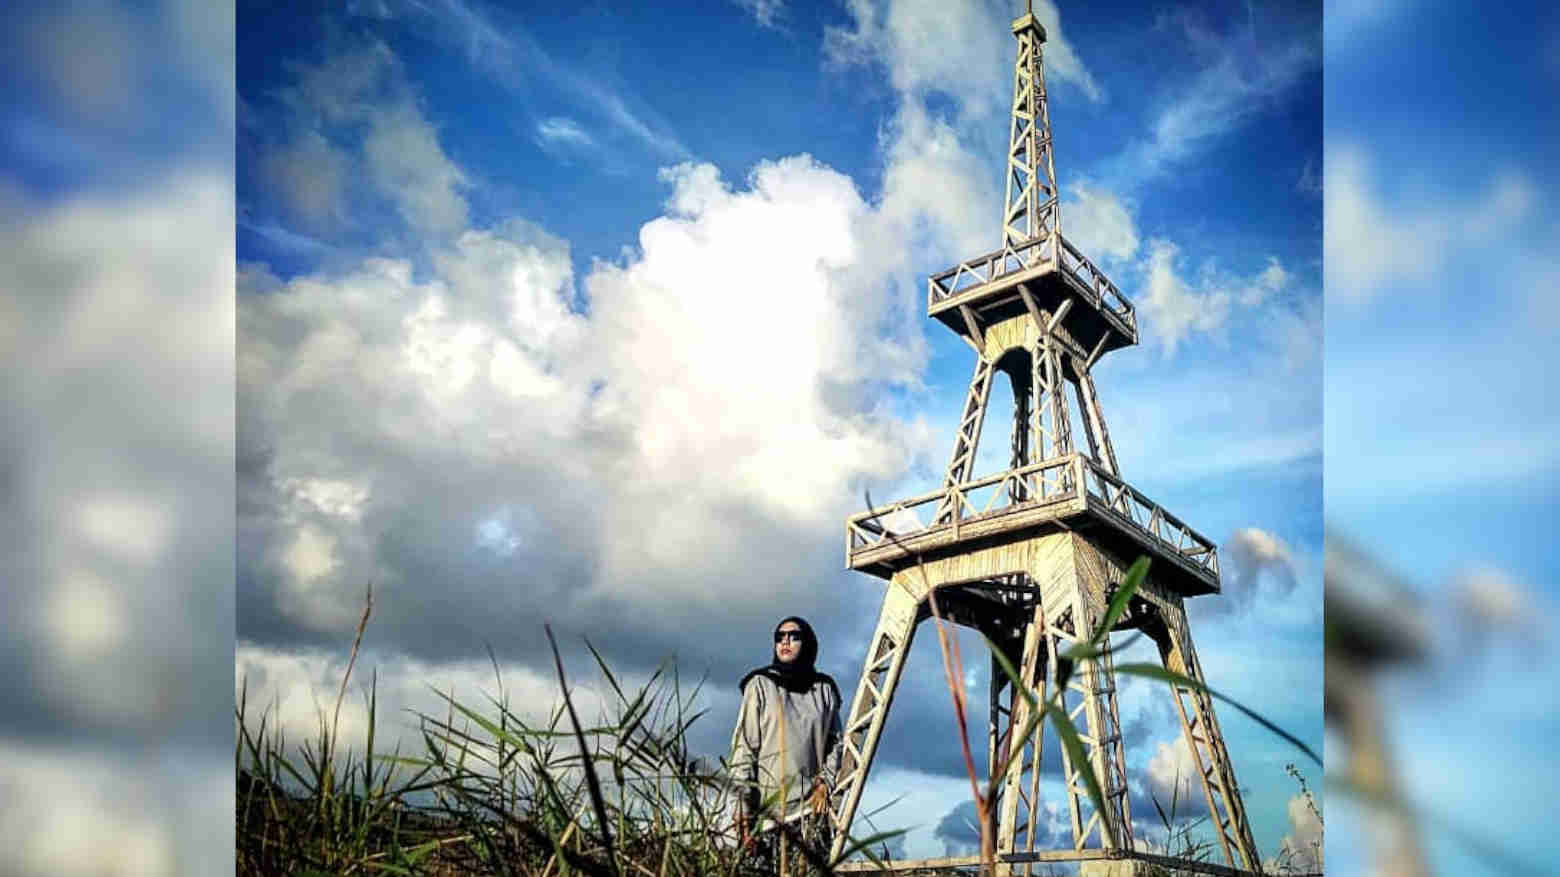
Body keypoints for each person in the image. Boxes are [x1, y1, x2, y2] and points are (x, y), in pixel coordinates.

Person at [729, 616, 843, 873]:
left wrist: (826, 781)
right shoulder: (760, 685)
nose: (786, 642)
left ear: (809, 643)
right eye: (779, 637)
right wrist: (742, 808)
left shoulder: (825, 689)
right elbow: (745, 748)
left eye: (794, 636)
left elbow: (836, 744)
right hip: (767, 819)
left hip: (809, 818)